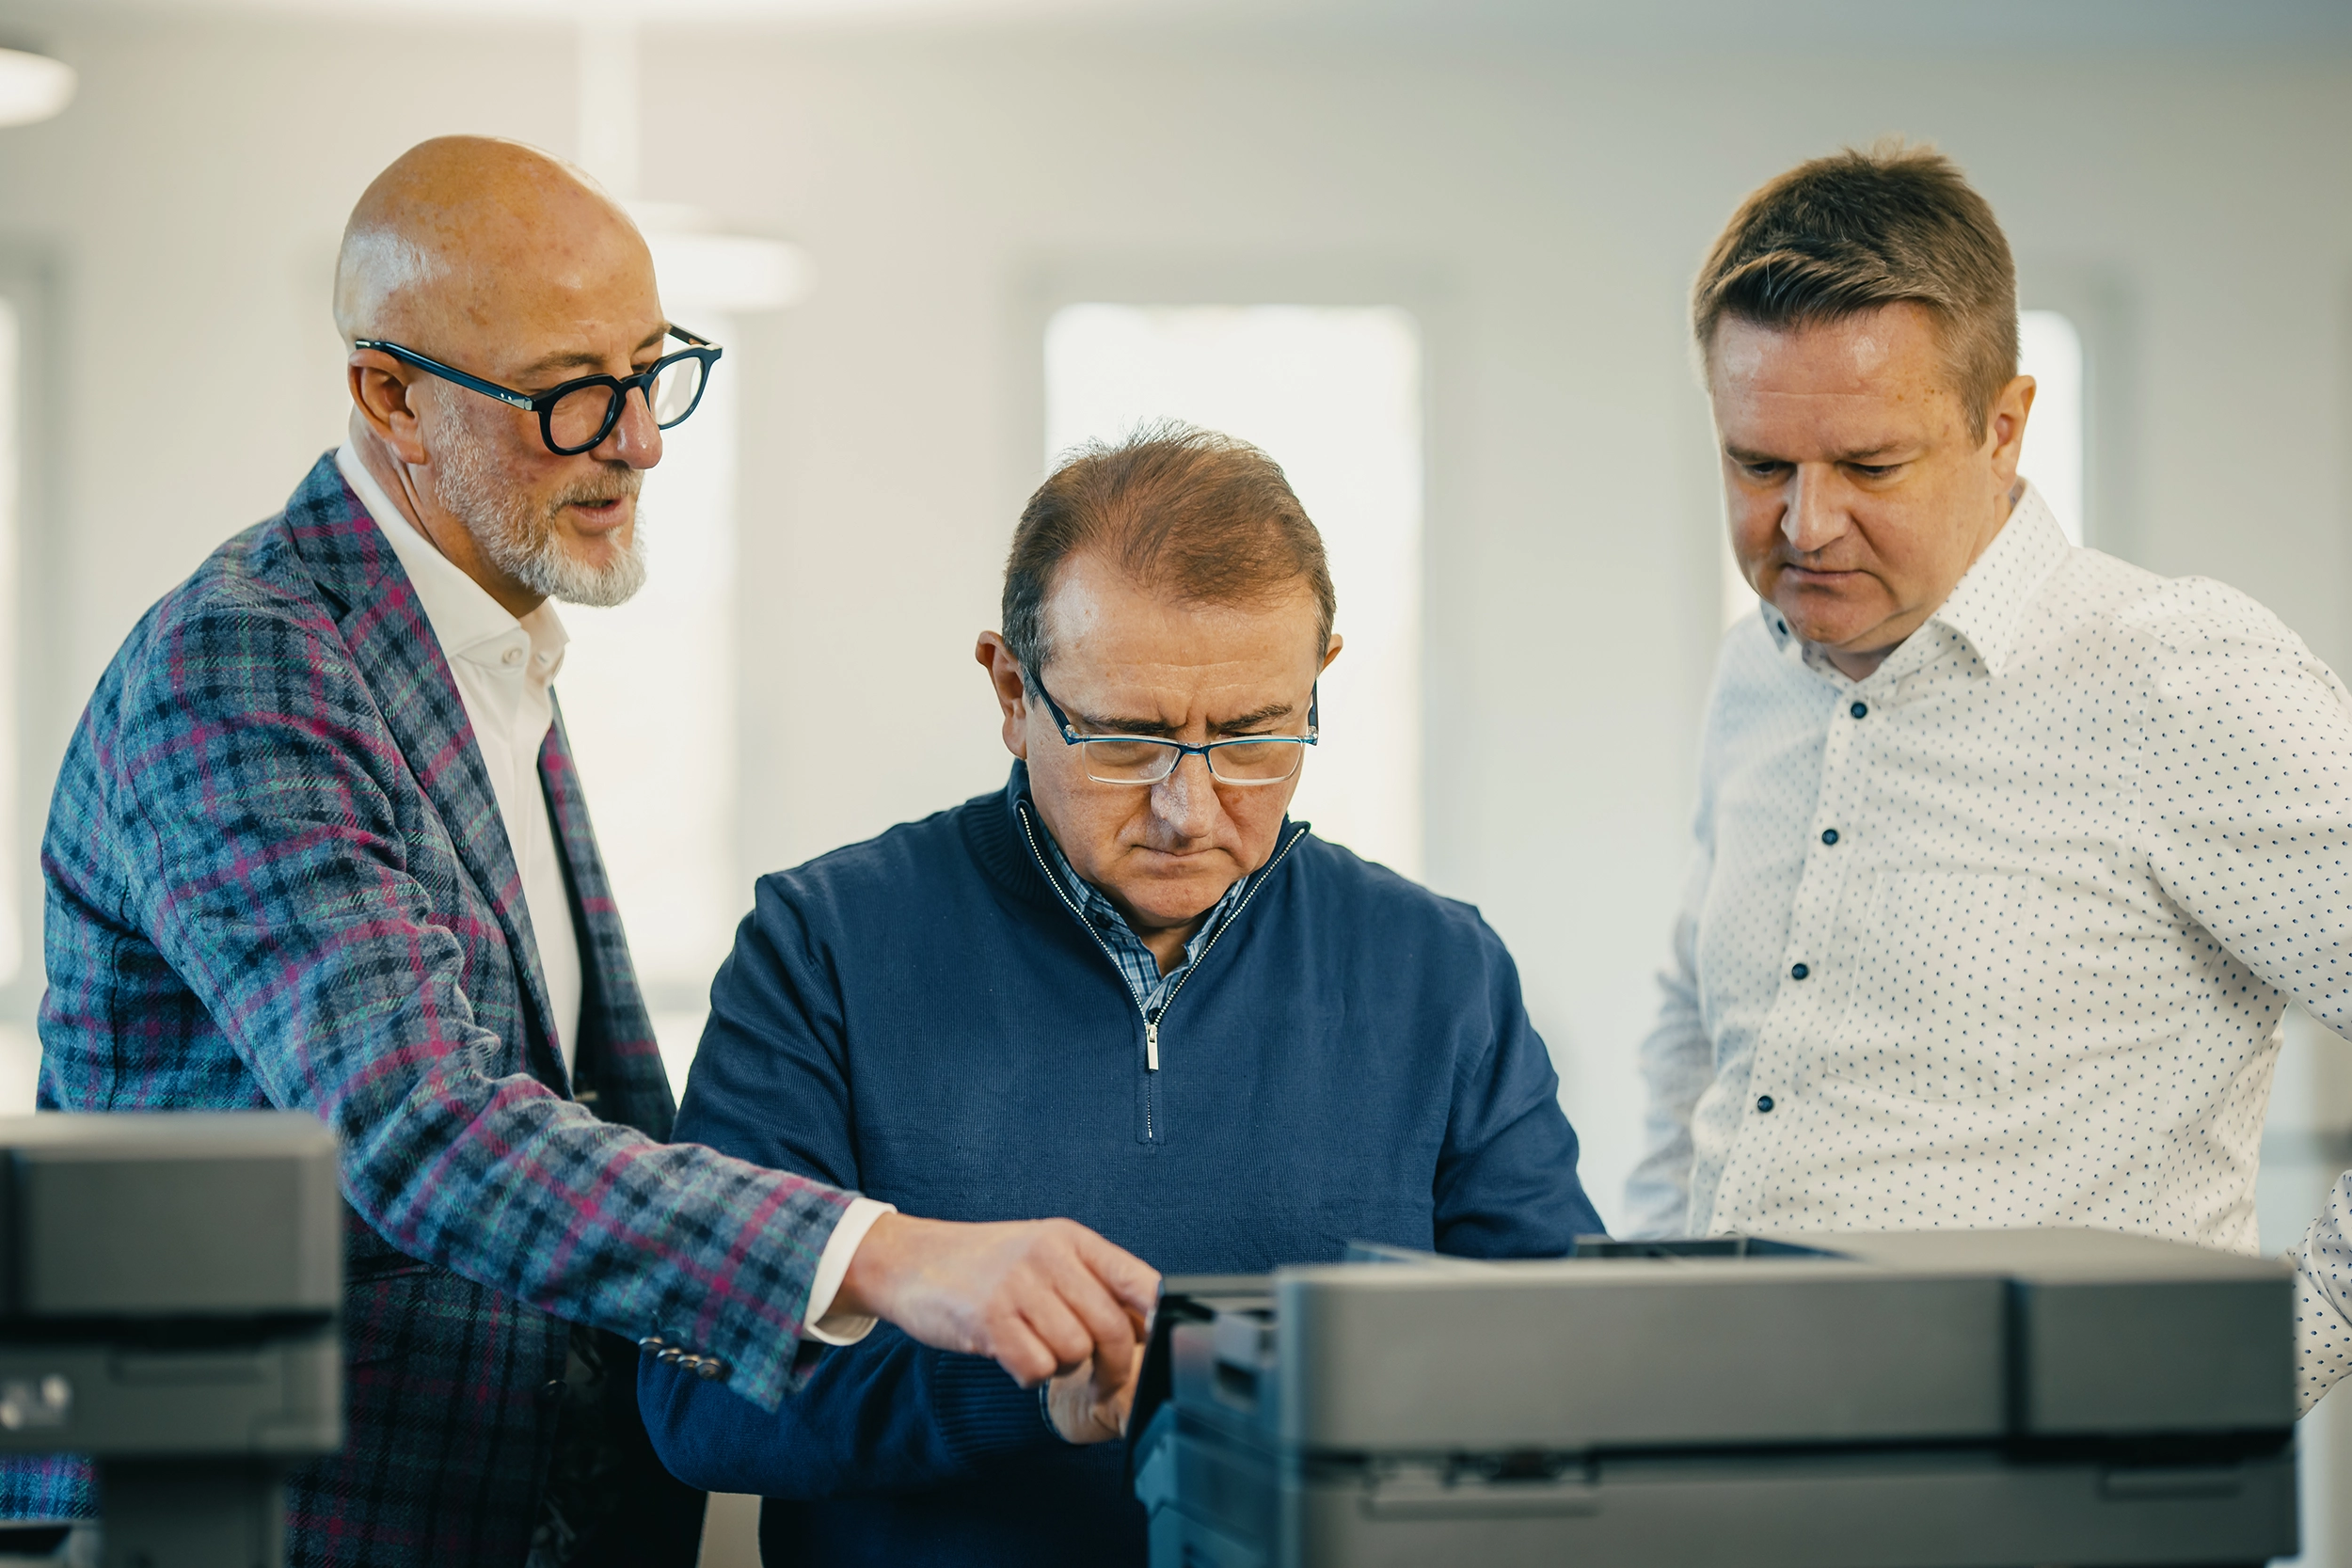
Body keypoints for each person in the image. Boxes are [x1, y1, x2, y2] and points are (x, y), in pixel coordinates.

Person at [0, 136, 1158, 1567]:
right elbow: (420, 1126)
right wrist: (888, 1251)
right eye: (570, 394)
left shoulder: (486, 654)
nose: (643, 438)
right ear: (391, 395)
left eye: (654, 366)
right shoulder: (247, 663)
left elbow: (579, 1107)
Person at [637, 426, 1605, 1565]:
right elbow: (698, 1407)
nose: (1187, 807)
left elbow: (1568, 1374)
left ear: (1320, 680)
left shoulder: (1442, 970)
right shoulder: (822, 945)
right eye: (1127, 737)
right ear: (1010, 689)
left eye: (1251, 735)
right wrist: (1024, 1390)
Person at [1623, 139, 2352, 1414]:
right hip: (1734, 1451)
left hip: (2070, 1488)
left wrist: (2276, 1347)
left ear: (2003, 426)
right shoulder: (1754, 672)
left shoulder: (2179, 677)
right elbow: (1700, 1021)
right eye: (1758, 464)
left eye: (1869, 465)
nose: (1804, 524)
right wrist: (1643, 1292)